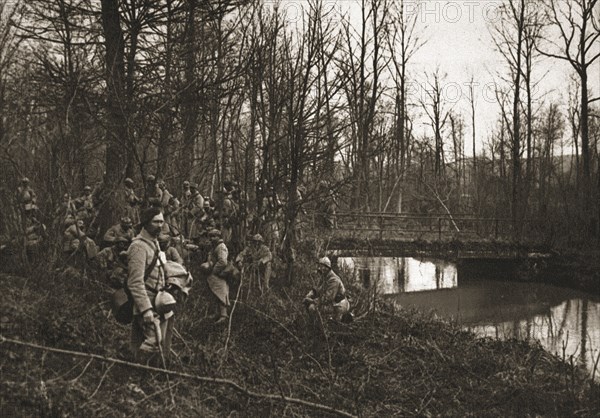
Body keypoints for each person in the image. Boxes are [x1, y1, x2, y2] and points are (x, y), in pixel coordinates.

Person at [127, 207, 173, 363]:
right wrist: (146, 309)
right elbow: (135, 282)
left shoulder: (155, 243)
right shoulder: (138, 247)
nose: (160, 225)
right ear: (146, 223)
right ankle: (137, 370)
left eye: (162, 221)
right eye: (156, 222)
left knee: (162, 343)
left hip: (160, 300)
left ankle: (154, 375)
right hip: (148, 301)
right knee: (154, 340)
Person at [303, 257, 350, 322]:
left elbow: (328, 298)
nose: (319, 268)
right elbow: (316, 289)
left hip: (338, 305)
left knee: (312, 308)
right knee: (307, 304)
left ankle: (317, 327)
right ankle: (314, 324)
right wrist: (309, 295)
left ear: (326, 268)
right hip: (331, 303)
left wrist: (312, 301)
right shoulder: (324, 277)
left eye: (321, 266)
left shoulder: (334, 280)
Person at [202, 229, 230, 324]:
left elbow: (223, 261)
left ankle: (224, 315)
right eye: (211, 236)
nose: (212, 238)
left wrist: (214, 271)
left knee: (222, 293)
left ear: (219, 237)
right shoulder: (214, 247)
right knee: (214, 293)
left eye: (214, 236)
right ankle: (217, 313)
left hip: (219, 274)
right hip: (213, 275)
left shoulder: (221, 247)